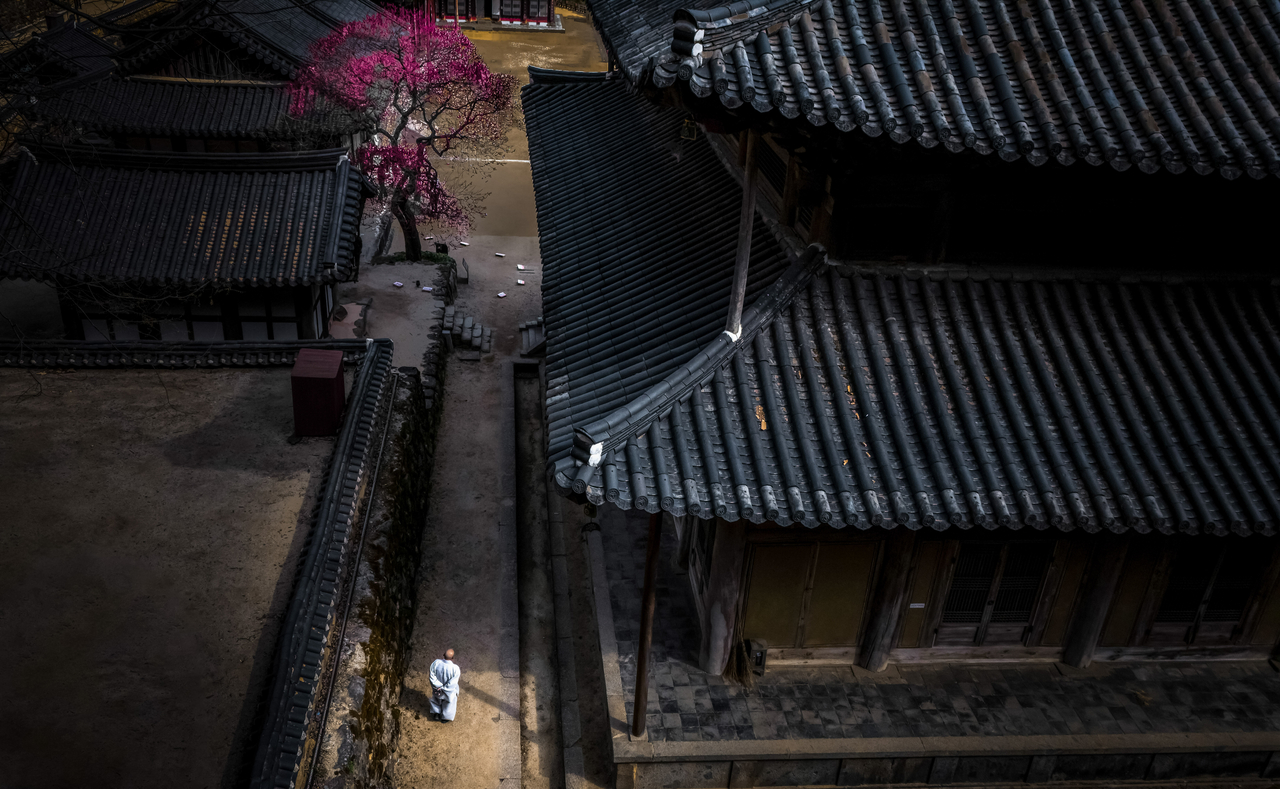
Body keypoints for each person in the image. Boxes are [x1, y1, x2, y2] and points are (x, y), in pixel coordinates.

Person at [428, 649, 460, 722]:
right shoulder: (455, 669)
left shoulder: (436, 663)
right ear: (453, 658)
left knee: (436, 699)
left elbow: (432, 675)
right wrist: (445, 688)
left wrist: (438, 686)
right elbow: (453, 682)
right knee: (449, 703)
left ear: (443, 654)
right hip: (449, 691)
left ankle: (436, 713)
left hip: (437, 689)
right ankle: (445, 717)